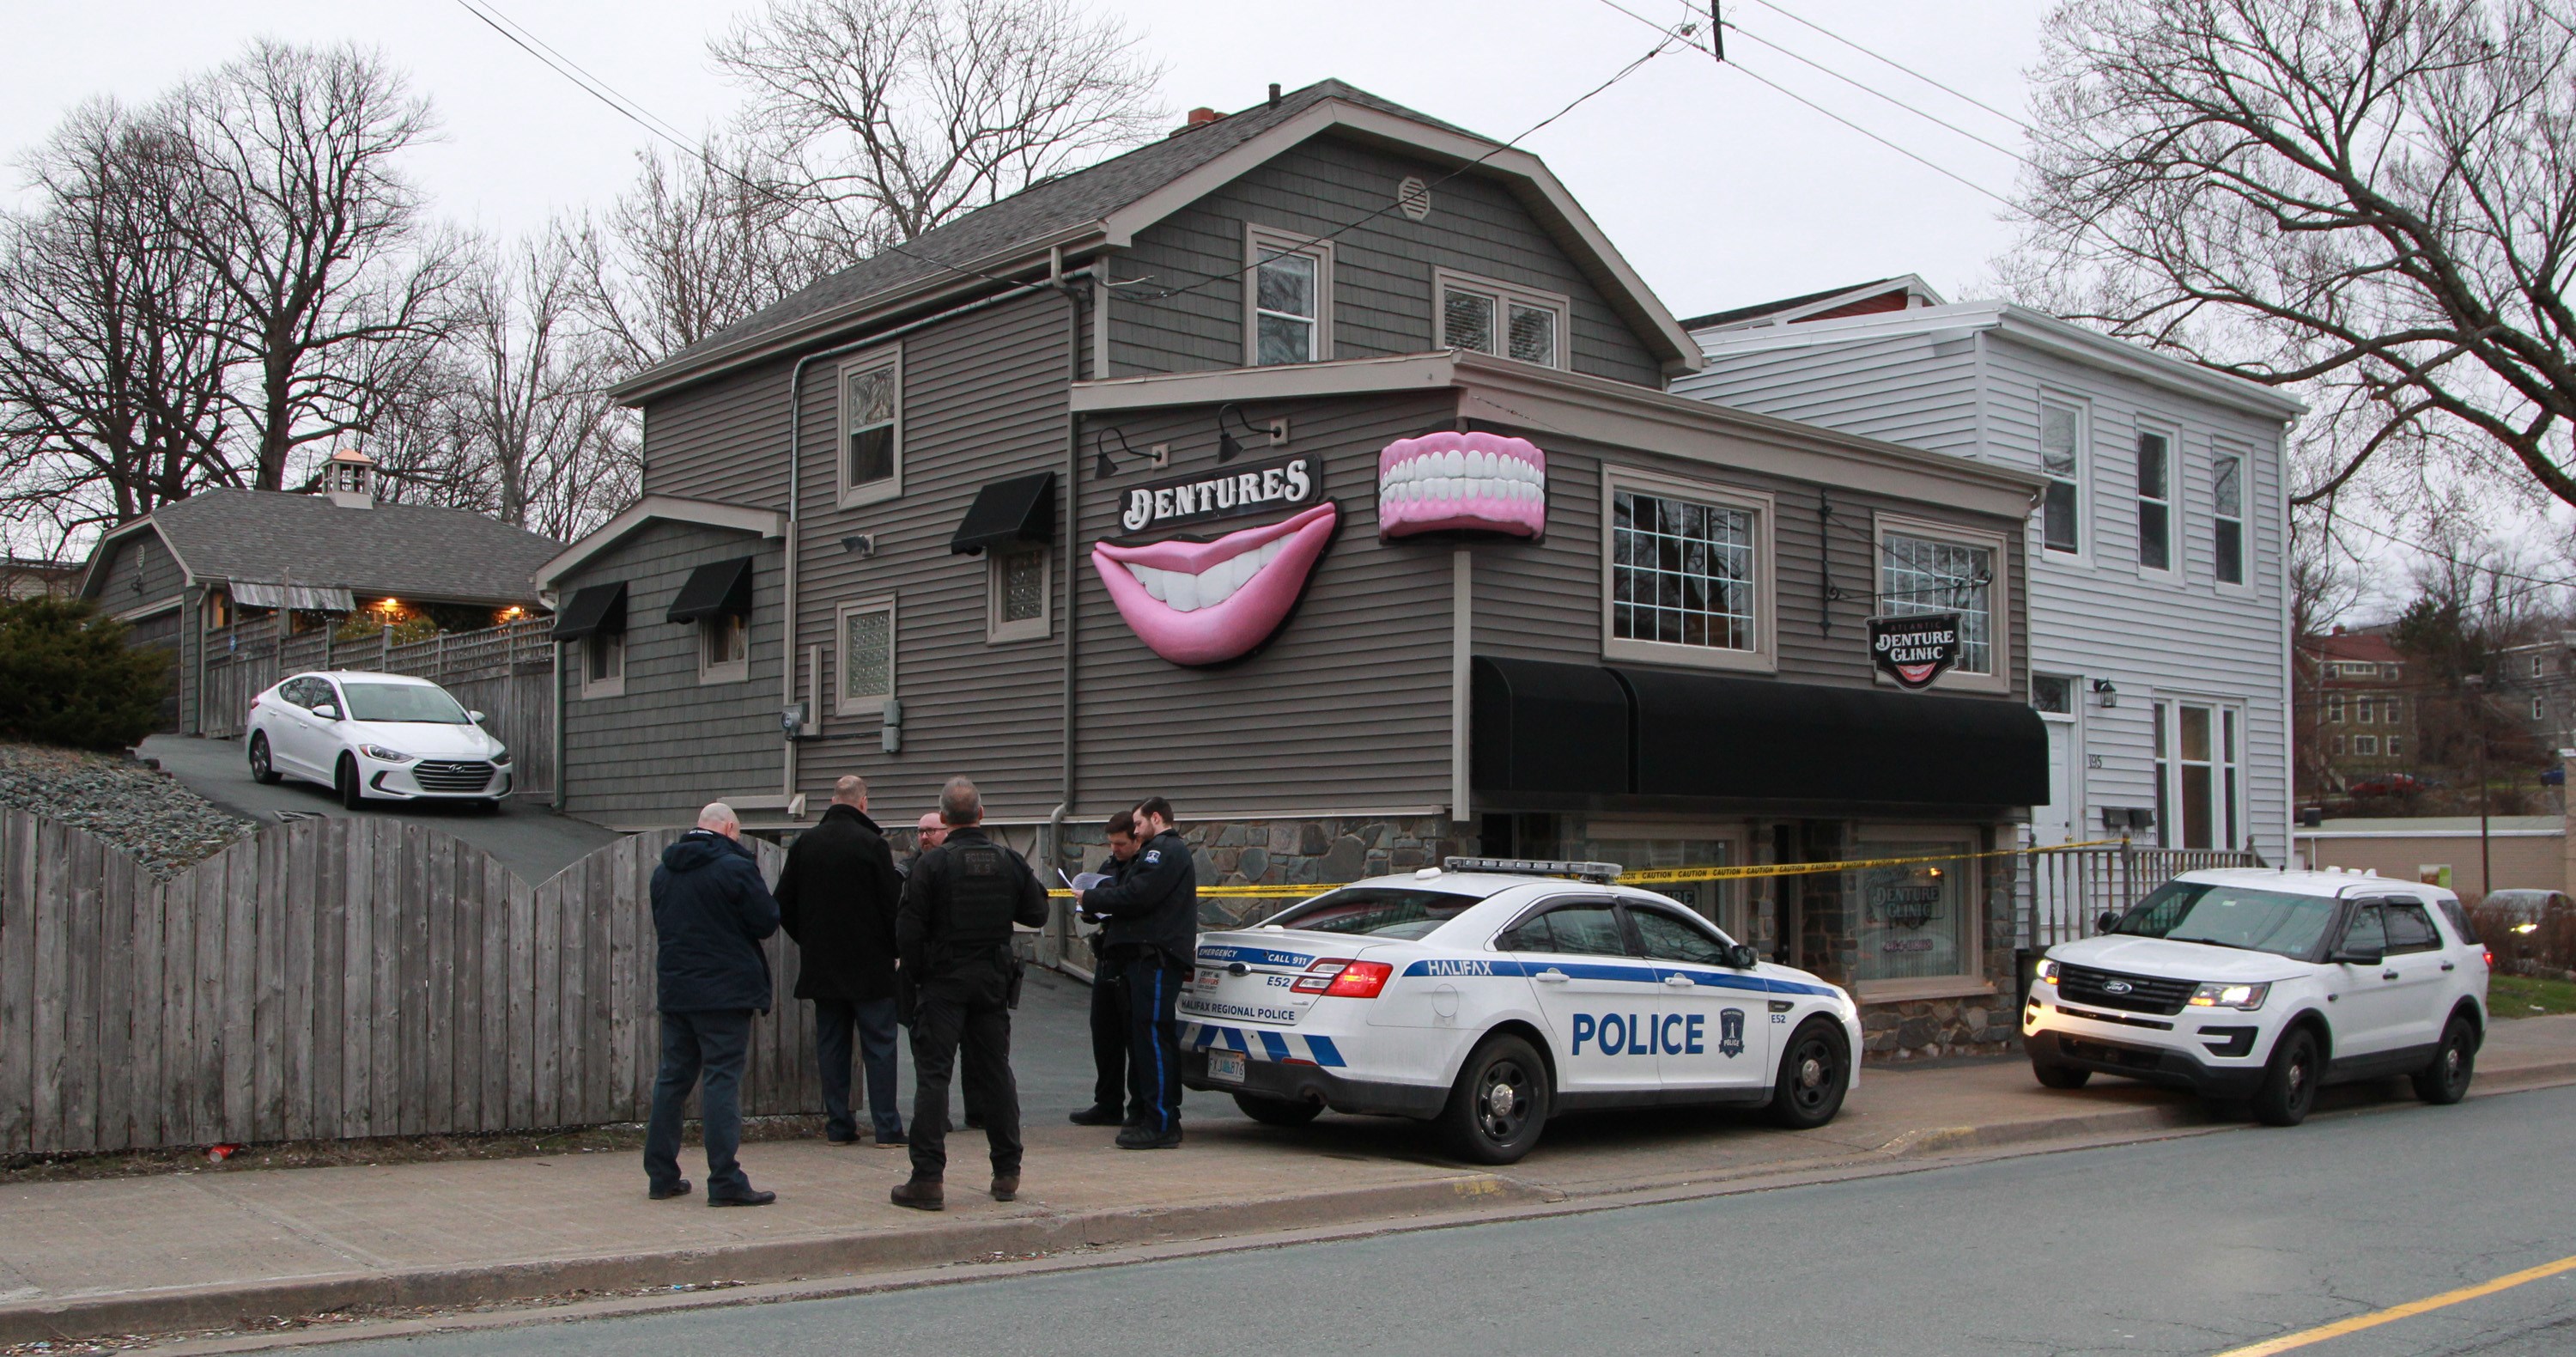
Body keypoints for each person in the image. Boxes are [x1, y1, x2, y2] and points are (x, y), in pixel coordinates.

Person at [890, 776, 1048, 1210]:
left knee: (934, 1077)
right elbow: (1037, 911)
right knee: (995, 1073)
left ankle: (927, 1179)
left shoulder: (931, 865)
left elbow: (907, 931)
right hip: (990, 983)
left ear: (943, 818)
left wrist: (922, 975)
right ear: (981, 814)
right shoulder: (1008, 861)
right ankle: (1007, 1172)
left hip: (943, 983)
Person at [644, 802, 780, 1207]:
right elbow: (766, 921)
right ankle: (724, 1180)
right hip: (725, 993)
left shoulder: (664, 871)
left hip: (678, 990)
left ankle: (662, 1175)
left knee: (672, 1079)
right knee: (721, 1080)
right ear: (731, 828)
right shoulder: (735, 868)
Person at [775, 775, 906, 1148]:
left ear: (833, 802)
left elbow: (782, 904)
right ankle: (886, 1128)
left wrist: (811, 939)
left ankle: (838, 1126)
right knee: (879, 1045)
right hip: (870, 965)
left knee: (832, 1045)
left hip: (824, 964)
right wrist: (894, 949)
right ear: (863, 803)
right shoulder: (872, 846)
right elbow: (891, 906)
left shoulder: (806, 844)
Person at [1078, 796, 1195, 1150]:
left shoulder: (1164, 851)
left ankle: (1161, 1121)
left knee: (1153, 1036)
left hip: (1154, 959)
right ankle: (1148, 1113)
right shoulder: (1157, 851)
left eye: (1139, 823)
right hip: (1143, 958)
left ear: (1155, 818)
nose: (1136, 830)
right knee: (1144, 1038)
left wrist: (1092, 898)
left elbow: (1138, 894)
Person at [898, 808, 984, 1131]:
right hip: (931, 975)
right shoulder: (908, 870)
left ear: (947, 829)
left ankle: (979, 1112)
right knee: (931, 1056)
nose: (924, 837)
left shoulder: (963, 866)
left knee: (977, 1052)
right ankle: (937, 1119)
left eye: (931, 831)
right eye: (920, 831)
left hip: (967, 972)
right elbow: (906, 927)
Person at [1069, 811, 1144, 1127]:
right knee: (1104, 1032)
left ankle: (1137, 1106)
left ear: (1135, 839)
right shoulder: (1109, 866)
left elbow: (1134, 903)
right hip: (1108, 954)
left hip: (1132, 958)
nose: (1114, 849)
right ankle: (1107, 1101)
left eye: (1120, 844)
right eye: (1111, 843)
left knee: (1133, 1034)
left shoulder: (1144, 868)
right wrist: (1088, 909)